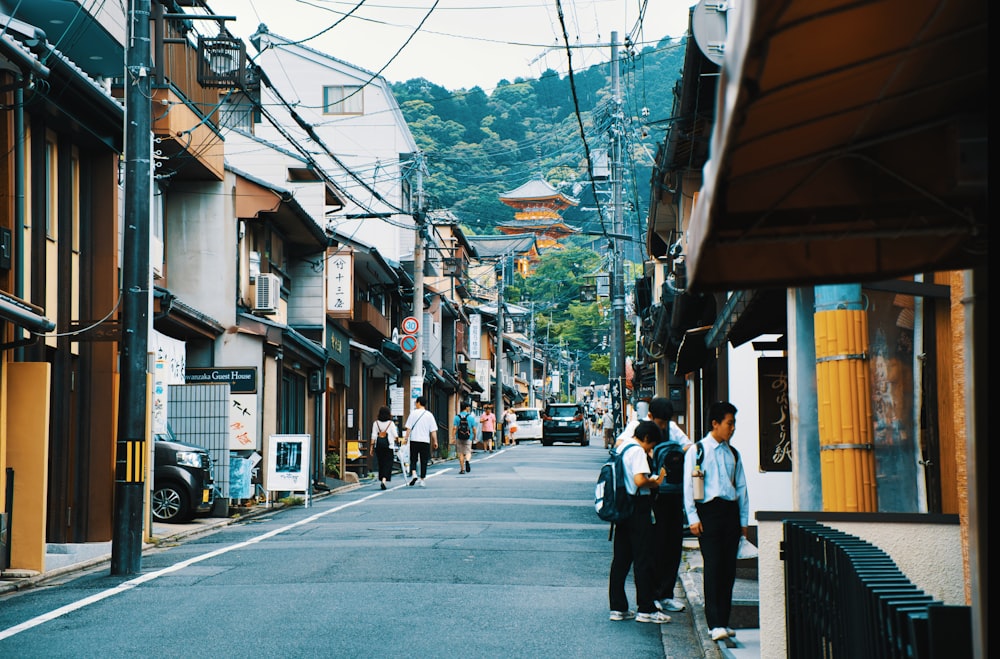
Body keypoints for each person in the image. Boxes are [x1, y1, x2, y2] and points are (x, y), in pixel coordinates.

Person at [683, 400, 749, 642]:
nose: (732, 428)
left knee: (729, 569)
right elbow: (688, 486)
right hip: (708, 512)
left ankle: (725, 620)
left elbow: (741, 488)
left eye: (733, 424)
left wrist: (743, 521)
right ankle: (714, 623)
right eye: (729, 423)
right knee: (713, 566)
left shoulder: (733, 453)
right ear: (715, 423)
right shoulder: (698, 450)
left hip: (730, 513)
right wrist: (692, 517)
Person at [608, 420, 671, 624]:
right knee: (643, 558)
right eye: (651, 445)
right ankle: (646, 608)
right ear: (645, 438)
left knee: (621, 560)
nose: (650, 449)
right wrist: (656, 480)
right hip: (638, 507)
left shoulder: (622, 447)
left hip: (622, 507)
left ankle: (617, 608)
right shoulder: (637, 451)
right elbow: (639, 480)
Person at [647, 397, 693, 613]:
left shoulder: (673, 428)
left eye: (666, 421)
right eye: (659, 421)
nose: (663, 426)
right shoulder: (639, 428)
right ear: (650, 416)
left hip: (674, 493)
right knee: (656, 545)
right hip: (653, 496)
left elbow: (689, 447)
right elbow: (621, 445)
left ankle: (667, 594)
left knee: (674, 545)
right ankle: (653, 594)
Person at [402, 396, 438, 487]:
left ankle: (414, 474)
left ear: (418, 403)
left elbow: (408, 428)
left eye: (416, 402)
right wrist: (435, 441)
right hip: (425, 441)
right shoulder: (429, 415)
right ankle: (422, 479)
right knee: (424, 460)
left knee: (413, 458)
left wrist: (406, 438)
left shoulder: (413, 413)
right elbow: (433, 430)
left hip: (414, 440)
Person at [369, 405, 399, 490]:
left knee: (381, 463)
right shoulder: (391, 423)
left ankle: (382, 478)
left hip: (379, 446)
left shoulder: (376, 423)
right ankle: (384, 480)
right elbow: (395, 435)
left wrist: (371, 447)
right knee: (388, 464)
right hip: (389, 446)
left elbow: (373, 436)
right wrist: (397, 441)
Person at [453, 401, 478, 474]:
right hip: (468, 437)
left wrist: (453, 437)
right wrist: (474, 436)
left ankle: (462, 469)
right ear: (466, 408)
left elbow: (454, 428)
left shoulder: (457, 417)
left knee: (460, 453)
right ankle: (467, 460)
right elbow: (474, 428)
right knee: (468, 451)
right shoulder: (470, 417)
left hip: (459, 436)